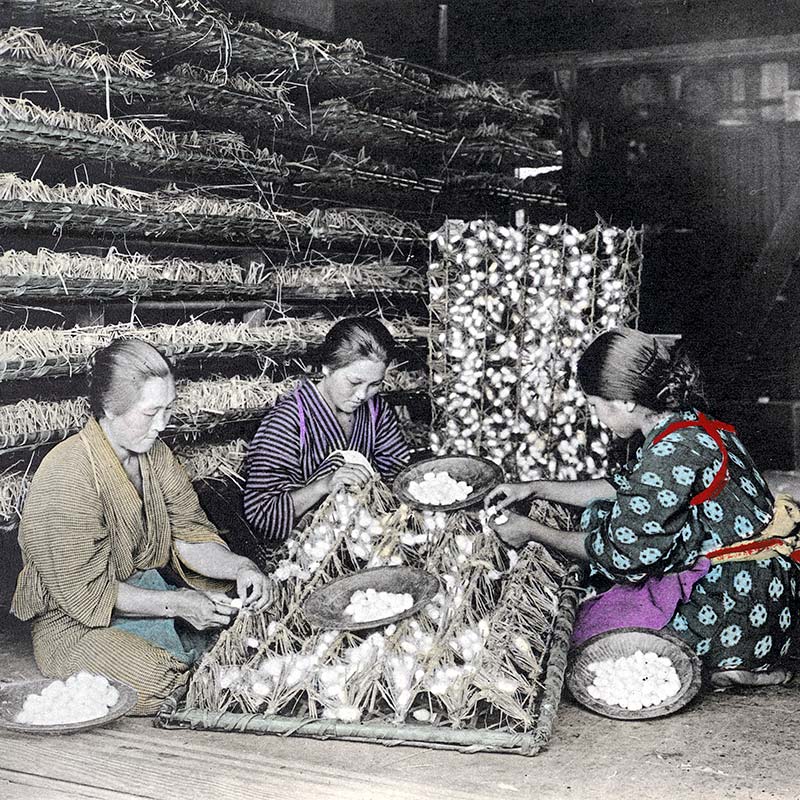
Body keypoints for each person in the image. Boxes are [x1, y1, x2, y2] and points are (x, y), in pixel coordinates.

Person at [486, 328, 799, 685]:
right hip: (772, 587)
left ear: (625, 402)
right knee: (601, 514)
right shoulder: (685, 423)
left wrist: (532, 532)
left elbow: (622, 555)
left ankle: (733, 666)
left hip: (739, 601)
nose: (594, 415)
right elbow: (622, 489)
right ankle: (736, 660)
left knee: (592, 638)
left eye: (594, 404)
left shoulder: (669, 453)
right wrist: (536, 489)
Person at [11, 339, 274, 714]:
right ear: (109, 408)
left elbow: (190, 536)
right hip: (72, 623)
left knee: (245, 626)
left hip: (146, 594)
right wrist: (177, 604)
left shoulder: (155, 455)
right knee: (162, 680)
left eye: (167, 410)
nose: (162, 425)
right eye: (151, 412)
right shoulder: (68, 475)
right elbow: (88, 593)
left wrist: (242, 567)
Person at [244, 317, 411, 542]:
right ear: (327, 367)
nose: (363, 395)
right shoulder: (288, 421)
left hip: (365, 537)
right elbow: (262, 514)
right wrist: (323, 485)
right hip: (299, 553)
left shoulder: (376, 410)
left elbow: (398, 475)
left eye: (375, 384)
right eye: (354, 382)